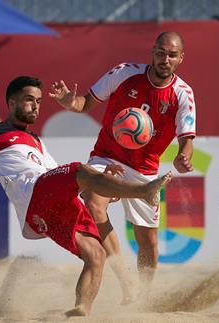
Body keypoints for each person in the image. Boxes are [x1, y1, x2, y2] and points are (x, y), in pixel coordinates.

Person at [0, 76, 172, 316]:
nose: (35, 106)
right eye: (29, 100)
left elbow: (63, 179)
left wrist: (103, 181)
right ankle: (144, 190)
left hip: (48, 209)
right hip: (33, 193)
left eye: (39, 101)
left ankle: (80, 310)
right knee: (80, 170)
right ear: (11, 103)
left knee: (96, 255)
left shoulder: (36, 140)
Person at [49, 31, 196, 302]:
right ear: (152, 52)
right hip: (107, 156)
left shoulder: (182, 94)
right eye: (161, 52)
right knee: (93, 202)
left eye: (172, 55)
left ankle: (143, 297)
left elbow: (187, 139)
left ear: (181, 58)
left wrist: (183, 156)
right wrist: (71, 103)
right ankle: (125, 277)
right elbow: (85, 104)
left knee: (149, 244)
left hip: (145, 169)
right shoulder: (125, 73)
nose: (165, 59)